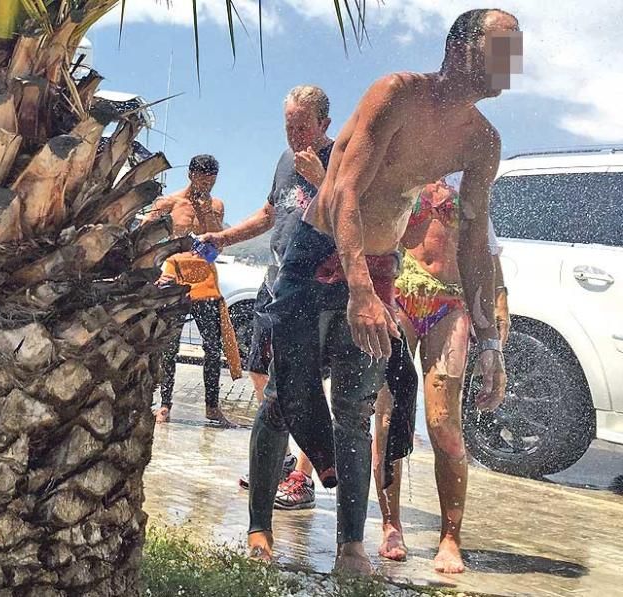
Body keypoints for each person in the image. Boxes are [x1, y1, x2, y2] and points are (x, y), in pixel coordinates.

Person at [246, 9, 520, 575]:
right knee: (283, 398)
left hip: (380, 265)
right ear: (462, 49)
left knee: (355, 405)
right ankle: (259, 527)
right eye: (503, 47)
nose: (514, 63)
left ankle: (350, 546)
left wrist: (490, 341)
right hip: (318, 253)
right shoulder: (396, 93)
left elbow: (473, 243)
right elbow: (344, 190)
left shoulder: (481, 141)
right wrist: (359, 289)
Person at [200, 85, 334, 508]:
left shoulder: (341, 158)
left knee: (308, 384)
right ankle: (281, 457)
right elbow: (269, 213)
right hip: (275, 278)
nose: (294, 135)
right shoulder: (282, 161)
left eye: (303, 126)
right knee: (259, 369)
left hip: (317, 285)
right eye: (289, 126)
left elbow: (354, 213)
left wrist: (322, 180)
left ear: (324, 124)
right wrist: (223, 238)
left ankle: (303, 478)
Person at [371, 173, 510, 574]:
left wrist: (499, 305)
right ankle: (391, 524)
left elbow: (488, 255)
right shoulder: (404, 178)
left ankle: (451, 536)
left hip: (449, 305)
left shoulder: (468, 191)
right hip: (400, 297)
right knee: (387, 416)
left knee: (444, 423)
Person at [145, 155, 239, 427]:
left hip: (204, 281)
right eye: (202, 181)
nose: (206, 187)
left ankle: (212, 407)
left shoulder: (216, 205)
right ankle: (164, 405)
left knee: (212, 346)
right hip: (174, 278)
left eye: (211, 183)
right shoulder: (170, 203)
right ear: (190, 175)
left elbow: (218, 243)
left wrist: (207, 209)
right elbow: (143, 232)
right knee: (169, 346)